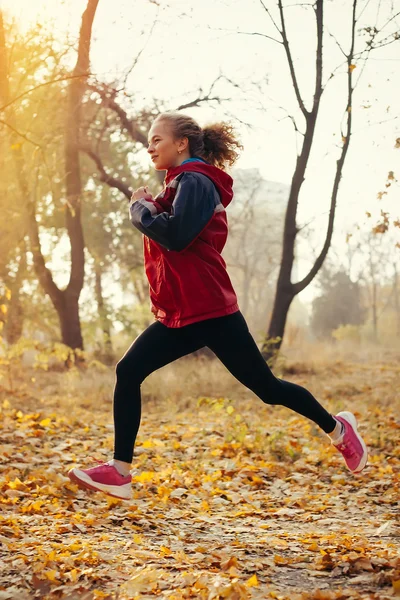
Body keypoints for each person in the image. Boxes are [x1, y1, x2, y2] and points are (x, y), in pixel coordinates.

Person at [68, 112, 368, 500]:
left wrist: (138, 209)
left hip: (210, 309)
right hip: (185, 311)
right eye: (150, 141)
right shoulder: (180, 184)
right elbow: (174, 234)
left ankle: (339, 430)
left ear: (182, 144)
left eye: (158, 139)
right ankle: (119, 471)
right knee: (129, 371)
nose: (150, 146)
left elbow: (176, 237)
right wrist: (151, 206)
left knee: (267, 388)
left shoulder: (195, 181)